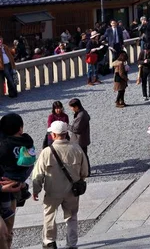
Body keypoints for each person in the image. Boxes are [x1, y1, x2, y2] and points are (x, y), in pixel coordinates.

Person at [32, 120, 89, 249]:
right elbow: (85, 171)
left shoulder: (47, 152)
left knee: (49, 215)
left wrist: (36, 189)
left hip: (53, 191)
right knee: (72, 217)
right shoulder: (76, 148)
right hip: (72, 190)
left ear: (53, 135)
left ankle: (50, 241)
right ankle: (72, 244)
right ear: (65, 133)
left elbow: (38, 174)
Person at [0, 114, 34, 215]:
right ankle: (22, 190)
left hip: (8, 176)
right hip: (24, 171)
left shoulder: (5, 144)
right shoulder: (26, 139)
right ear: (20, 128)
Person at [68, 99, 91, 176]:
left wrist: (67, 126)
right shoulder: (83, 113)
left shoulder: (81, 116)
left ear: (76, 107)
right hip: (82, 139)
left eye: (72, 107)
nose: (71, 109)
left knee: (82, 157)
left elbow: (76, 129)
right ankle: (85, 171)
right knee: (83, 156)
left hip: (79, 140)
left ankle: (86, 171)